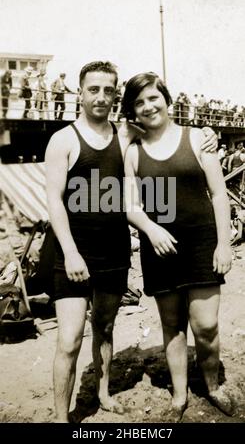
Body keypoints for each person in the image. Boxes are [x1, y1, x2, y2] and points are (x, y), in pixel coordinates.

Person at [45, 61, 218, 423]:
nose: (101, 97)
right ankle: (61, 418)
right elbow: (54, 201)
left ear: (115, 94)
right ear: (81, 92)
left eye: (109, 90)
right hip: (71, 251)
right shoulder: (62, 140)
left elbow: (164, 130)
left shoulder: (126, 134)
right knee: (70, 338)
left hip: (113, 251)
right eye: (94, 89)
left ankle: (104, 394)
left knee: (105, 327)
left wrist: (207, 131)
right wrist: (72, 252)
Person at [122, 72, 233, 422]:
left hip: (202, 245)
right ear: (133, 112)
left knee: (206, 326)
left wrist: (224, 244)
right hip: (159, 250)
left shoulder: (199, 138)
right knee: (172, 325)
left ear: (167, 100)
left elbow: (219, 196)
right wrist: (151, 230)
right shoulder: (133, 153)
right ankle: (180, 395)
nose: (148, 106)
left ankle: (213, 386)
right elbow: (130, 206)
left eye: (153, 98)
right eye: (139, 102)